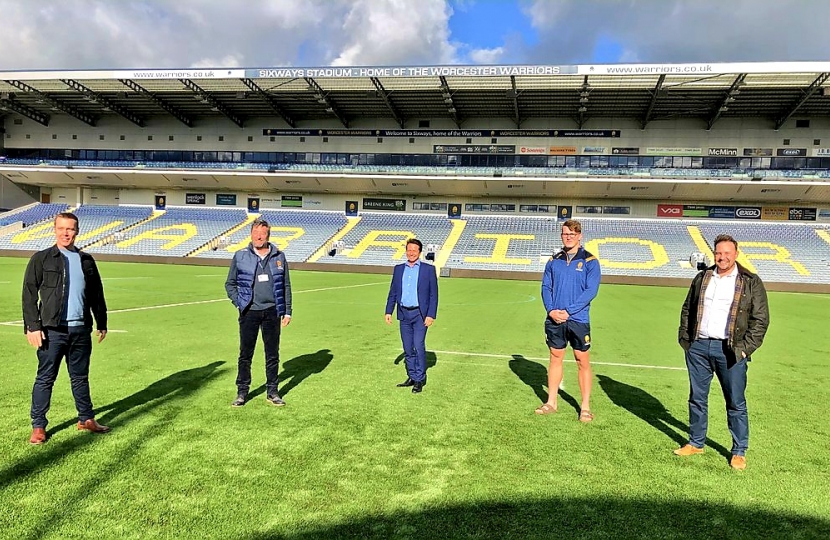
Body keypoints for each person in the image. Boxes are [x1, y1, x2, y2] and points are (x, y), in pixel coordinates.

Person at [675, 234, 769, 470]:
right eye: (719, 253)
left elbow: (761, 320)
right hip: (699, 347)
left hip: (731, 350)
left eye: (727, 253)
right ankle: (696, 442)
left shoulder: (750, 281)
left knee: (735, 402)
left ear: (736, 254)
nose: (722, 257)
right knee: (697, 398)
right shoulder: (703, 277)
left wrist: (745, 349)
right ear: (714, 254)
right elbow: (688, 308)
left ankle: (739, 451)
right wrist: (686, 340)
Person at [22, 212, 110, 445]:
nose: (66, 233)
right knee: (45, 379)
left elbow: (96, 294)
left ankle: (86, 418)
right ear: (55, 229)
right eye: (61, 228)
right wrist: (32, 326)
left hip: (80, 330)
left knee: (80, 377)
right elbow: (29, 295)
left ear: (77, 231)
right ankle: (38, 425)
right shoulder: (41, 259)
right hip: (52, 330)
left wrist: (101, 322)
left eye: (70, 229)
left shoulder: (86, 260)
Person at [537, 219, 601, 421]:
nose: (568, 237)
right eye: (565, 234)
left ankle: (585, 407)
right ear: (561, 235)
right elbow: (546, 287)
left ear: (580, 236)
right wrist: (551, 310)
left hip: (578, 319)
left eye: (572, 234)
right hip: (555, 318)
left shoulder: (590, 261)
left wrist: (569, 310)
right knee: (555, 357)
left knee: (582, 360)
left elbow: (591, 291)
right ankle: (551, 402)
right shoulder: (553, 260)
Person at [225, 219, 292, 407]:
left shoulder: (279, 256)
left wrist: (287, 311)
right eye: (255, 233)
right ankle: (242, 392)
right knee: (245, 354)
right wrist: (239, 302)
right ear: (251, 234)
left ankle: (272, 391)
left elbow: (285, 285)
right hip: (249, 312)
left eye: (262, 234)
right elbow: (230, 284)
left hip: (272, 312)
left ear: (268, 235)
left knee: (272, 354)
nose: (258, 237)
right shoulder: (240, 256)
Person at [385, 238, 438, 394]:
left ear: (420, 252)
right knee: (408, 348)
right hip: (403, 314)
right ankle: (412, 376)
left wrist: (431, 315)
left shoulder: (428, 270)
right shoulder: (399, 269)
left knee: (418, 345)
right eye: (409, 250)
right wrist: (389, 311)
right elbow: (393, 292)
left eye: (415, 250)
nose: (411, 253)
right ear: (406, 251)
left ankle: (420, 379)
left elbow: (433, 295)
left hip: (420, 315)